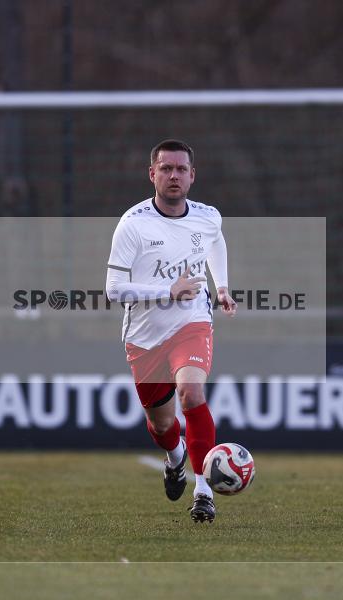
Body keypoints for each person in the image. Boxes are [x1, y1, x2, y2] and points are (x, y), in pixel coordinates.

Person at [105, 139, 236, 523]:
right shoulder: (133, 224)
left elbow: (215, 241)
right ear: (152, 174)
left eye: (180, 169)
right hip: (144, 336)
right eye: (166, 168)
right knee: (161, 424)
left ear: (192, 176)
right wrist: (168, 290)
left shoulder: (208, 217)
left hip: (191, 323)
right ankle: (175, 456)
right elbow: (113, 290)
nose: (173, 175)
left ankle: (204, 491)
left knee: (191, 393)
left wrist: (222, 287)